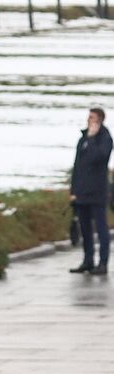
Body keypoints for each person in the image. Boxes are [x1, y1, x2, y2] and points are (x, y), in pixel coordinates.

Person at [69, 108, 111, 275]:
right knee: (85, 229)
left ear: (99, 120)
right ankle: (88, 261)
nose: (88, 120)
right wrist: (73, 190)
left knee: (101, 229)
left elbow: (100, 157)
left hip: (98, 192)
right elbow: (77, 166)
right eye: (88, 117)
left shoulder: (105, 138)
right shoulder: (83, 138)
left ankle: (103, 263)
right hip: (82, 192)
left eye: (92, 117)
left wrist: (93, 139)